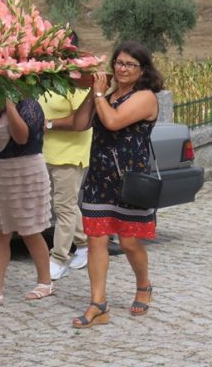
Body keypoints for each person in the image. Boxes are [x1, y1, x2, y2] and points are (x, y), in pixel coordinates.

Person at [63, 41, 163, 328]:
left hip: (129, 181)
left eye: (130, 64)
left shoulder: (146, 97)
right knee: (96, 240)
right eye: (119, 62)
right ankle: (98, 304)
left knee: (129, 242)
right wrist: (91, 92)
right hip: (99, 178)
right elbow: (80, 124)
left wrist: (98, 95)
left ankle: (143, 285)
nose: (122, 69)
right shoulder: (106, 95)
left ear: (143, 69)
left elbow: (114, 121)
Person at [0, 98, 53, 308]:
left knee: (30, 230)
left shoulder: (29, 106)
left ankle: (45, 282)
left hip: (25, 172)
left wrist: (10, 106)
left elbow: (22, 137)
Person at [40, 88, 92, 280]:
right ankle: (85, 244)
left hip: (69, 154)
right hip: (47, 152)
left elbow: (83, 120)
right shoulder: (46, 81)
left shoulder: (77, 85)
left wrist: (49, 124)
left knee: (64, 207)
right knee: (65, 205)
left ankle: (59, 259)